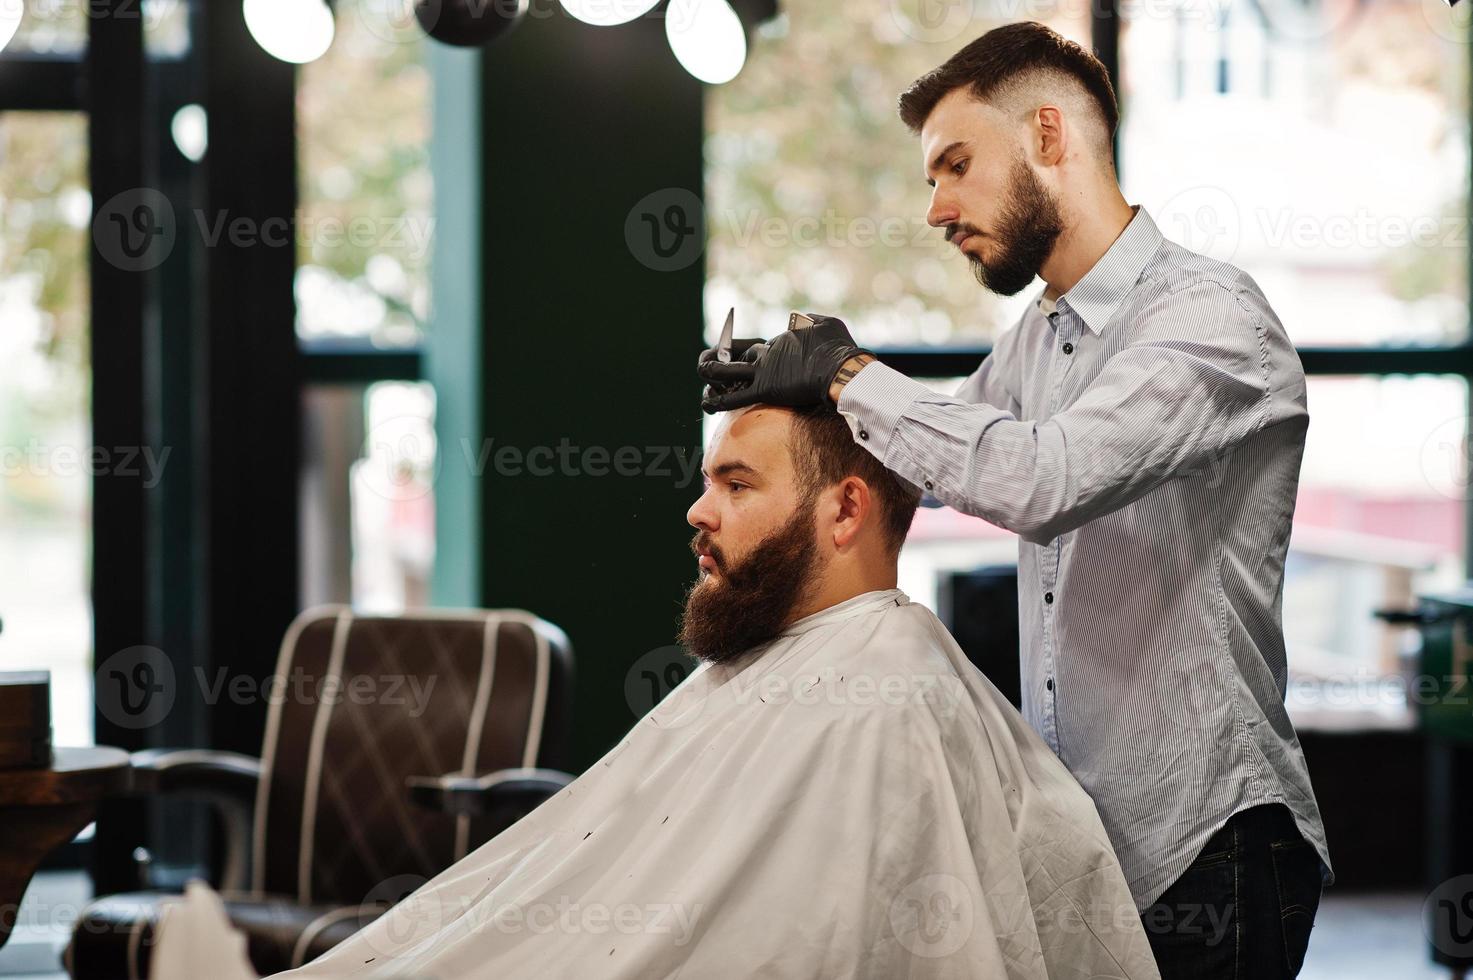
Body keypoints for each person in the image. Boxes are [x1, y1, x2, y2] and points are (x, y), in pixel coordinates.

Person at [697, 21, 1331, 980]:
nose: (936, 208)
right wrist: (790, 414)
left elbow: (1039, 478)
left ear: (1046, 135)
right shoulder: (1037, 343)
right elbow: (929, 464)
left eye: (954, 165)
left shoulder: (1212, 320)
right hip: (1082, 847)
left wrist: (848, 373)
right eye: (929, 180)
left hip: (1210, 842)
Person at [148, 403, 1159, 980]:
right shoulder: (783, 665)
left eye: (735, 483)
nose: (696, 509)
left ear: (846, 507)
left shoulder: (883, 700)